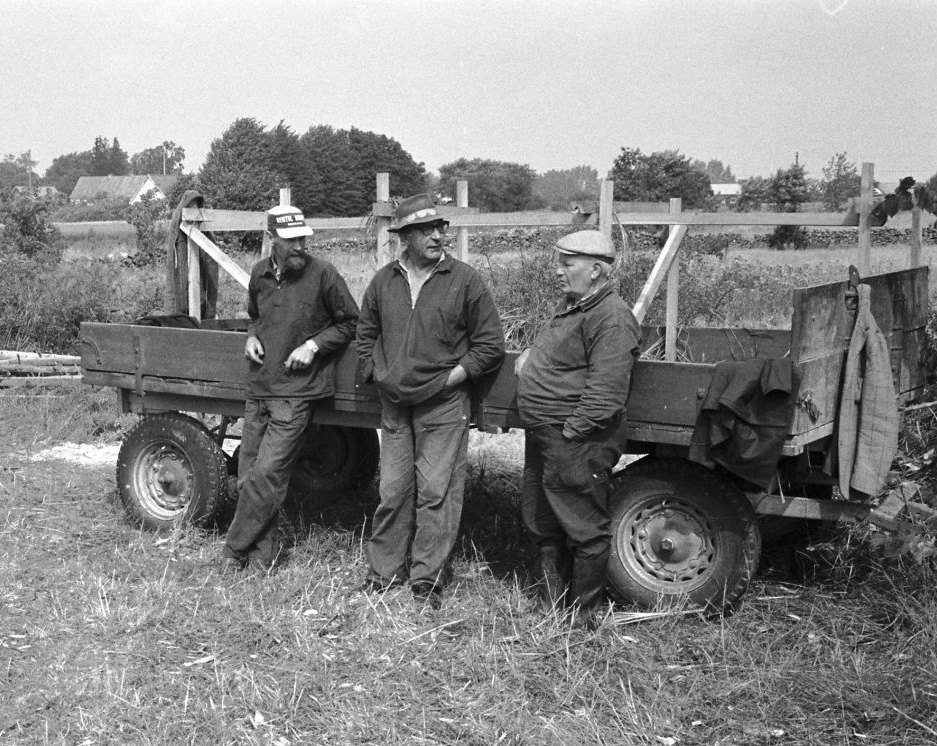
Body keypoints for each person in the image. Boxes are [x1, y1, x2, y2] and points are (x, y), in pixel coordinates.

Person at [357, 193, 505, 607]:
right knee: (392, 490)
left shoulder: (465, 280)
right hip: (395, 406)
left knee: (436, 492)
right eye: (427, 230)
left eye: (440, 228)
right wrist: (378, 373)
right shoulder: (384, 281)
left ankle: (426, 579)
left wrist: (451, 380)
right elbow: (365, 332)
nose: (439, 235)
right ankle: (384, 572)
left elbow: (490, 345)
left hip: (443, 405)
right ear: (404, 237)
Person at [221, 204, 359, 572]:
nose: (299, 245)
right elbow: (255, 317)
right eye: (291, 239)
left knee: (268, 475)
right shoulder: (259, 275)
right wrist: (250, 337)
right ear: (271, 240)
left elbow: (351, 323)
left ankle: (233, 549)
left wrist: (313, 346)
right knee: (250, 476)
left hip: (296, 394)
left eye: (303, 238)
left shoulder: (323, 275)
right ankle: (262, 557)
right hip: (260, 387)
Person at [514, 229, 641, 626]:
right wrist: (532, 356)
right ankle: (554, 605)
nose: (557, 272)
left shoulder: (613, 317)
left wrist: (569, 433)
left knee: (584, 528)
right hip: (547, 435)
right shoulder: (574, 305)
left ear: (597, 270)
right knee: (543, 521)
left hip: (575, 440)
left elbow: (606, 395)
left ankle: (582, 616)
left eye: (567, 264)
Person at [165, 189, 219, 319]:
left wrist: (211, 309)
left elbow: (212, 270)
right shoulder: (176, 233)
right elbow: (171, 271)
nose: (193, 210)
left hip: (199, 298)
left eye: (196, 207)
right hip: (180, 297)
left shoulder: (205, 233)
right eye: (190, 207)